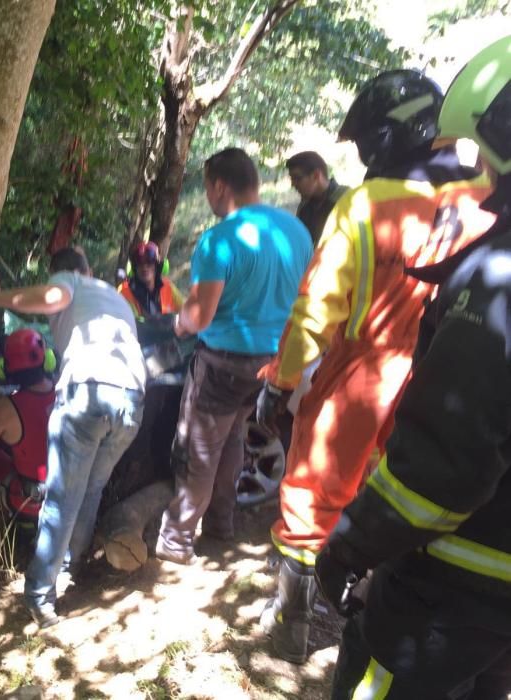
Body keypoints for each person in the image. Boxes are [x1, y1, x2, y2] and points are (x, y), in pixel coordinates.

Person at [256, 70, 497, 664]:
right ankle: (373, 604)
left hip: (363, 369)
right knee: (400, 497)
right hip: (444, 373)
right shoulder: (485, 196)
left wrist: (281, 381)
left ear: (391, 135)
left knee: (311, 490)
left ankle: (290, 623)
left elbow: (316, 310)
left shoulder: (364, 205)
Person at [316, 36, 511, 700]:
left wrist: (347, 547)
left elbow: (438, 469)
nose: (475, 170)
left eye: (481, 154)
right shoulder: (463, 216)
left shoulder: (494, 272)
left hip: (445, 582)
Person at [154, 147, 313, 566]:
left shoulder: (220, 239)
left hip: (223, 363)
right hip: (270, 363)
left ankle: (176, 541)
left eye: (206, 186)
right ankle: (221, 526)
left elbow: (200, 315)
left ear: (219, 185)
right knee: (232, 443)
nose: (207, 195)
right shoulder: (295, 231)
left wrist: (176, 323)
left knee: (198, 451)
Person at [0, 246, 146, 627]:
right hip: (133, 399)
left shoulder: (70, 280)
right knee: (90, 488)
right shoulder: (112, 293)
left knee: (60, 499)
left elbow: (55, 296)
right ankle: (71, 565)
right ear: (90, 267)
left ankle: (40, 594)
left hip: (88, 391)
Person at [0, 328, 56, 549]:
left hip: (29, 503)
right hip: (66, 496)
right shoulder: (65, 391)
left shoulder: (4, 408)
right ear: (47, 359)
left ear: (4, 368)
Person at [286, 151, 350, 244]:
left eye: (298, 178)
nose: (293, 184)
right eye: (292, 179)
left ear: (316, 175)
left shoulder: (347, 199)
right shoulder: (305, 206)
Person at [117, 240, 185, 319]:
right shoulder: (124, 292)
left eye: (149, 262)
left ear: (156, 265)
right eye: (140, 263)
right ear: (134, 268)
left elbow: (185, 310)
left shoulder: (167, 286)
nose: (144, 267)